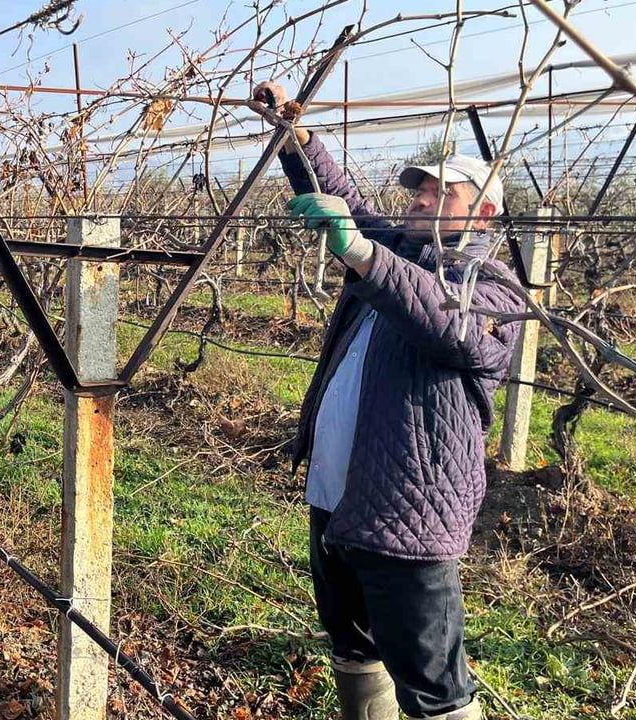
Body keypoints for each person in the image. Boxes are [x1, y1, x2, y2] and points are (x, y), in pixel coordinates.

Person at [253, 80, 525, 720]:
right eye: (421, 189)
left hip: (410, 510)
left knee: (434, 684)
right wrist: (299, 140)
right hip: (337, 495)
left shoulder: (496, 286)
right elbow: (343, 203)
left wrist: (359, 251)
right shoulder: (397, 249)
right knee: (351, 645)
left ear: (483, 212)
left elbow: (447, 322)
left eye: (442, 192)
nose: (423, 198)